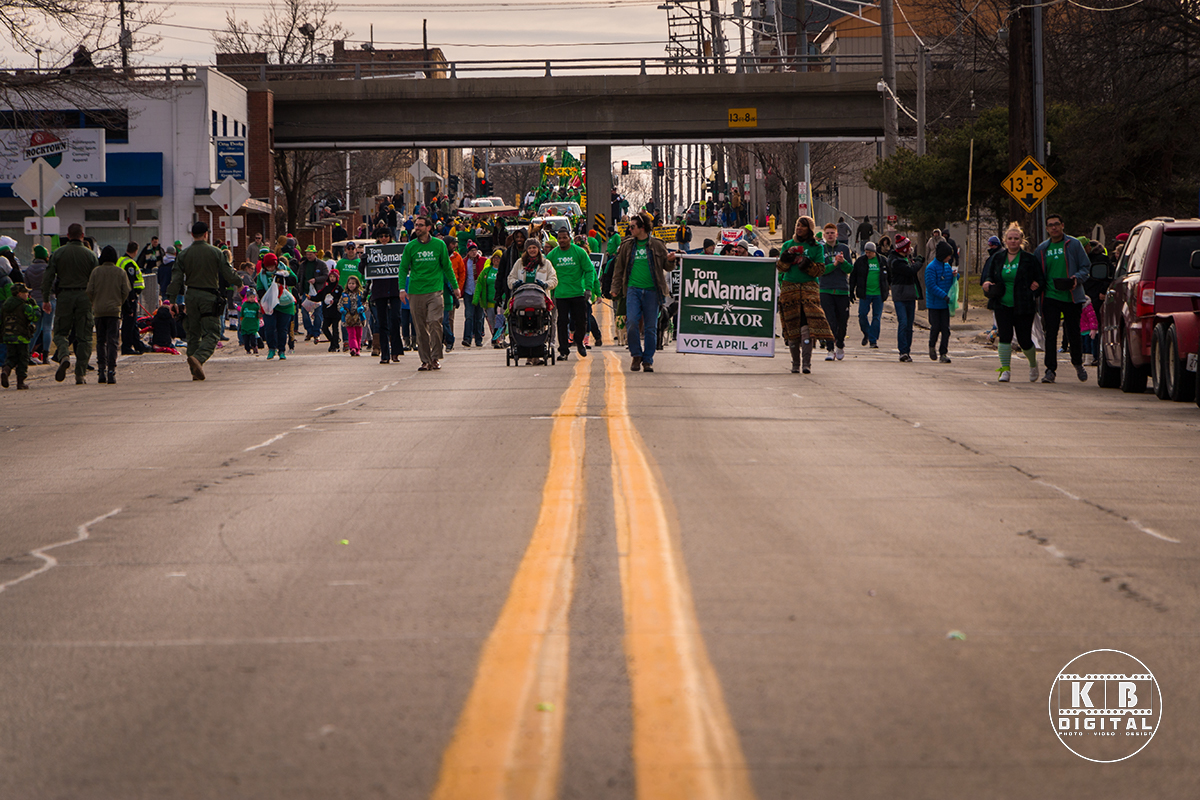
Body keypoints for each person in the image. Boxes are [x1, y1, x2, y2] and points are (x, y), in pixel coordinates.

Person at [168, 221, 244, 380]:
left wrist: (171, 300)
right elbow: (228, 273)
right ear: (206, 234)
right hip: (209, 297)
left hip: (191, 296)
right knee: (213, 332)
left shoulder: (183, 254)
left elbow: (176, 279)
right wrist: (239, 283)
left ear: (192, 235)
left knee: (193, 333)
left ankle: (195, 369)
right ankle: (199, 358)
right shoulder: (216, 252)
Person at [610, 212, 677, 373]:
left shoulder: (657, 245)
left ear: (642, 228)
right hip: (632, 290)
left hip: (653, 291)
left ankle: (648, 360)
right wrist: (615, 288)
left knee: (650, 327)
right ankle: (636, 355)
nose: (630, 229)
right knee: (632, 322)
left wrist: (671, 260)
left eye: (632, 226)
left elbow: (666, 268)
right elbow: (619, 269)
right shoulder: (627, 246)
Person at [981, 222, 1044, 383]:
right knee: (1004, 336)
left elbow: (1040, 280)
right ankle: (1005, 370)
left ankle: (1032, 364)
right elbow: (989, 275)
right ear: (1005, 240)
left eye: (1016, 238)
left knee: (1024, 340)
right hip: (1002, 303)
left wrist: (1035, 288)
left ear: (1021, 240)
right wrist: (988, 283)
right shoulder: (998, 258)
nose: (1013, 241)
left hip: (1023, 305)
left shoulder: (1029, 259)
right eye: (1010, 238)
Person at [1034, 213, 1091, 383]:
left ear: (1063, 225)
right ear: (1046, 228)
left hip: (1072, 296)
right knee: (1050, 333)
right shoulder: (1042, 249)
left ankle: (1077, 363)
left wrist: (1076, 279)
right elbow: (1037, 272)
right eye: (1050, 225)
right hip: (1051, 296)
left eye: (1057, 224)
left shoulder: (1073, 244)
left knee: (1073, 332)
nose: (1054, 227)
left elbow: (1085, 267)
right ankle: (1050, 370)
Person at [399, 215, 460, 371]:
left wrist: (455, 287)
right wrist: (401, 289)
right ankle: (425, 360)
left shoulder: (439, 245)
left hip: (435, 291)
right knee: (420, 328)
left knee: (434, 322)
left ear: (428, 228)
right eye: (416, 225)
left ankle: (435, 358)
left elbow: (447, 267)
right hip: (415, 292)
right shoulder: (410, 247)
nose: (417, 227)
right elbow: (403, 269)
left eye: (420, 225)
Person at [42, 222, 99, 384]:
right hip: (84, 297)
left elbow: (48, 278)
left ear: (67, 236)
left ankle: (64, 354)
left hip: (65, 296)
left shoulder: (58, 253)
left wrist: (46, 298)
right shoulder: (90, 255)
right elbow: (96, 279)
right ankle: (80, 374)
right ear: (82, 236)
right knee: (85, 337)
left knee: (60, 332)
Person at [776, 216, 834, 374]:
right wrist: (786, 258)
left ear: (809, 229)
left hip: (809, 292)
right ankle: (795, 363)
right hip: (790, 291)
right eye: (797, 225)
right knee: (792, 328)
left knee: (806, 328)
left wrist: (806, 264)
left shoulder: (816, 247)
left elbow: (820, 270)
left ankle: (806, 363)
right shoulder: (788, 245)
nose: (799, 228)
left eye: (802, 226)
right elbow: (780, 268)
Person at [547, 227, 600, 361]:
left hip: (578, 293)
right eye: (560, 238)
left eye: (565, 237)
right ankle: (563, 350)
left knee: (581, 321)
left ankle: (579, 342)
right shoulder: (553, 255)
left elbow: (589, 270)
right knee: (562, 322)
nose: (562, 240)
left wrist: (588, 288)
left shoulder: (579, 252)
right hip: (561, 294)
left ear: (569, 238)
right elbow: (545, 270)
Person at [87, 246, 131, 385]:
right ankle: (111, 370)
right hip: (114, 311)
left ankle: (101, 370)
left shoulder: (96, 272)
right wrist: (119, 302)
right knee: (113, 341)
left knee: (100, 341)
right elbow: (126, 291)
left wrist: (95, 302)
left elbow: (89, 290)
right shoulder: (120, 272)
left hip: (99, 311)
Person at [818, 222, 853, 361]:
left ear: (837, 234)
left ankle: (840, 344)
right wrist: (834, 265)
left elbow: (850, 269)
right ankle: (830, 349)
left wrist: (843, 262)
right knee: (829, 321)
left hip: (842, 290)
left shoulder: (843, 248)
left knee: (842, 321)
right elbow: (822, 270)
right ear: (824, 235)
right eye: (827, 233)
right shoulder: (821, 249)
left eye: (832, 233)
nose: (830, 235)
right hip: (826, 290)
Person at [884, 236, 919, 362]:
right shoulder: (895, 261)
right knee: (903, 322)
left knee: (909, 325)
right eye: (908, 247)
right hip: (900, 295)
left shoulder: (907, 259)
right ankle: (902, 351)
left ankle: (907, 351)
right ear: (904, 249)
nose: (910, 249)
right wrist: (918, 263)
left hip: (910, 294)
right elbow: (910, 271)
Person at [850, 241, 890, 351]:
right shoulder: (860, 261)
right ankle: (867, 333)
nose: (867, 254)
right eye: (866, 252)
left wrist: (888, 288)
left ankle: (873, 340)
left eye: (869, 253)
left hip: (878, 293)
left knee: (876, 317)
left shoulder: (882, 261)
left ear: (874, 252)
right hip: (865, 293)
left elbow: (889, 276)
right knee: (862, 315)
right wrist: (851, 291)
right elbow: (853, 276)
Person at [1, 283, 39, 389]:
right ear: (19, 294)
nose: (27, 294)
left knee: (11, 357)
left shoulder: (5, 305)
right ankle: (20, 382)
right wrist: (35, 306)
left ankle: (6, 370)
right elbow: (35, 317)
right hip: (22, 337)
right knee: (23, 359)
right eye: (25, 292)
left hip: (8, 336)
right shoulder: (24, 306)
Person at [925, 240, 956, 363]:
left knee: (946, 329)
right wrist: (944, 296)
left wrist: (955, 276)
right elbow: (931, 286)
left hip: (945, 305)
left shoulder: (947, 267)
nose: (949, 258)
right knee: (935, 327)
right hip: (934, 304)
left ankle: (943, 352)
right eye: (948, 255)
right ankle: (932, 345)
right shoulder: (931, 268)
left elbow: (949, 281)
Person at [116, 241, 146, 354]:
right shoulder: (129, 264)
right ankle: (127, 346)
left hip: (123, 296)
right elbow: (129, 283)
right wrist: (132, 297)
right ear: (136, 251)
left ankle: (138, 345)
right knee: (129, 323)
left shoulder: (120, 260)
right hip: (129, 297)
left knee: (133, 322)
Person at [23, 245, 51, 364]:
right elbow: (53, 283)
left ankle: (28, 353)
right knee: (47, 328)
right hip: (49, 299)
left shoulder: (29, 269)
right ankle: (45, 355)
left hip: (34, 299)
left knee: (35, 328)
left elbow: (27, 284)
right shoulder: (48, 268)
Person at [475, 248, 503, 348]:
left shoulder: (504, 271)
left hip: (501, 301)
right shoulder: (487, 271)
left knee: (500, 321)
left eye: (498, 258)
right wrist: (477, 298)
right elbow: (479, 283)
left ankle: (499, 339)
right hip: (489, 302)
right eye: (494, 257)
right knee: (491, 321)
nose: (496, 259)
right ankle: (496, 338)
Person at [461, 242, 486, 348]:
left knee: (479, 317)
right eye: (471, 251)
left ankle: (478, 339)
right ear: (468, 252)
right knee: (469, 316)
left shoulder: (483, 261)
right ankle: (467, 338)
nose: (474, 252)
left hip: (479, 292)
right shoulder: (464, 262)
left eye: (475, 250)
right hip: (468, 291)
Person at [340, 276, 368, 356]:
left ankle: (358, 349)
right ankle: (353, 348)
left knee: (358, 334)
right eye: (349, 283)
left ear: (357, 284)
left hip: (359, 318)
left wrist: (362, 308)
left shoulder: (361, 294)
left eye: (353, 283)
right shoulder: (344, 294)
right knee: (351, 334)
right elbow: (339, 304)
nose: (351, 285)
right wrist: (342, 309)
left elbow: (366, 304)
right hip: (348, 318)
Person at [238, 289, 263, 355]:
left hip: (253, 325)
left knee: (253, 339)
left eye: (253, 297)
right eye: (250, 297)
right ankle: (248, 349)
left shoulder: (256, 305)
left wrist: (259, 313)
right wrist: (241, 323)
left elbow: (259, 315)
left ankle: (254, 347)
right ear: (247, 297)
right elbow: (242, 314)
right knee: (246, 340)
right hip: (245, 325)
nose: (252, 299)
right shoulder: (245, 305)